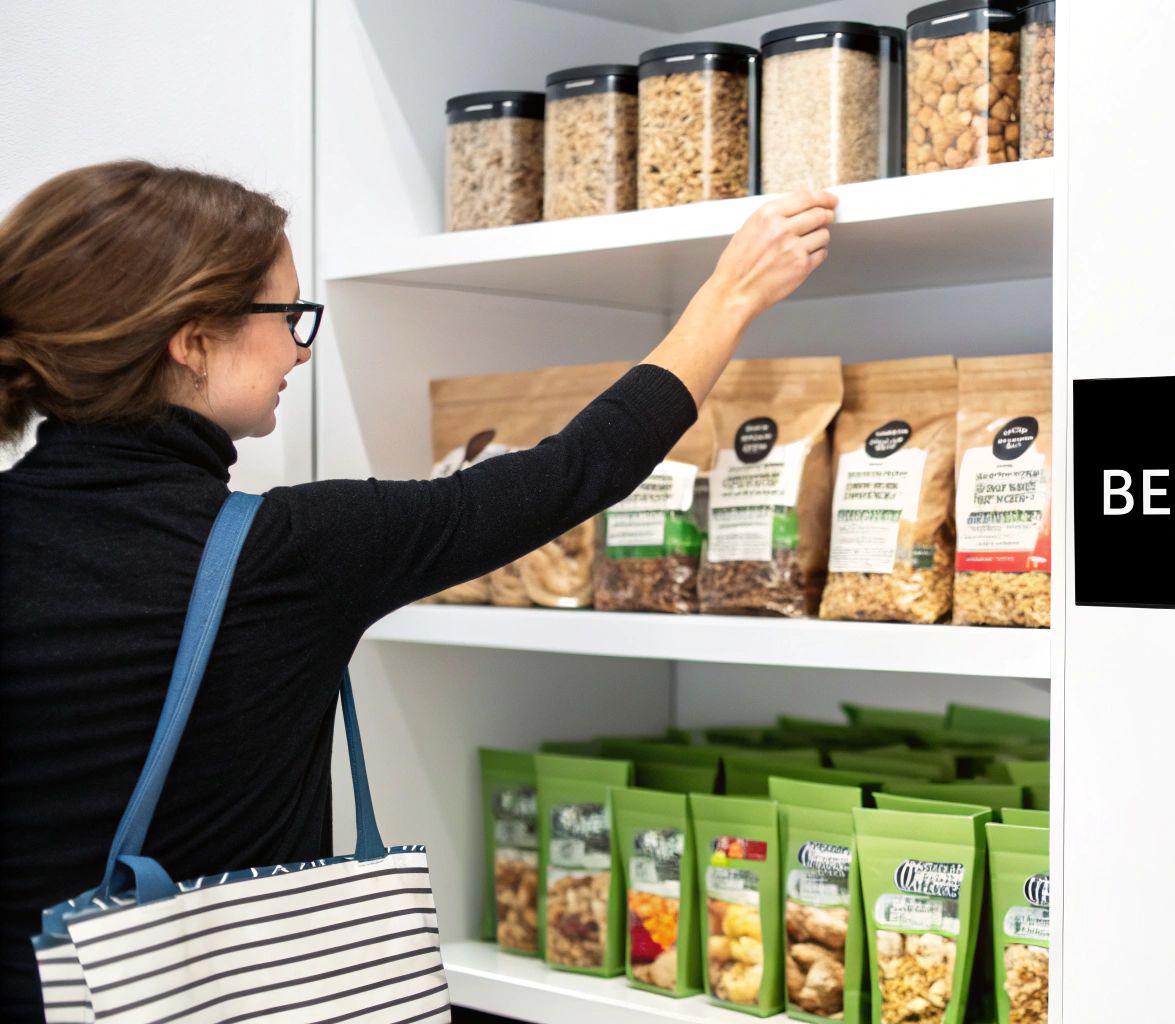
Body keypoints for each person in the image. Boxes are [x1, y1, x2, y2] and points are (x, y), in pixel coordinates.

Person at [0, 160, 837, 1018]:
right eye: (286, 315)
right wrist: (730, 295)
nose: (301, 345)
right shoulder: (285, 553)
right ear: (191, 338)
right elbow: (574, 472)